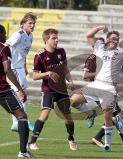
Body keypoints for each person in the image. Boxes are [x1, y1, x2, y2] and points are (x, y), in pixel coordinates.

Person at [76, 40, 123, 147]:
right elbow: (85, 75)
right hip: (98, 91)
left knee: (117, 115)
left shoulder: (111, 56)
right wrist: (100, 74)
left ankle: (114, 139)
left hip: (105, 90)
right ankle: (99, 133)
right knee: (117, 116)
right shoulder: (92, 58)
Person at [28, 28, 78, 151]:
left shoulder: (61, 51)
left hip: (61, 90)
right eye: (54, 38)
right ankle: (32, 142)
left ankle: (71, 139)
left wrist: (70, 81)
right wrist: (47, 73)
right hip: (48, 90)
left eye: (57, 38)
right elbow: (34, 76)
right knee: (44, 115)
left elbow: (65, 68)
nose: (57, 40)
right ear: (46, 40)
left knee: (68, 117)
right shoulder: (40, 56)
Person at [0, 24, 32, 158]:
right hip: (2, 90)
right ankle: (23, 152)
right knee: (22, 117)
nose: (5, 35)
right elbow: (7, 69)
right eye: (3, 33)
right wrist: (19, 89)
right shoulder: (3, 48)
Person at [5, 12, 37, 132]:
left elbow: (22, 54)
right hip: (14, 68)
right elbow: (4, 46)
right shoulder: (18, 35)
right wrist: (5, 61)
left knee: (19, 94)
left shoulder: (31, 36)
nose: (32, 25)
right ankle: (26, 121)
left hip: (20, 68)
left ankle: (15, 123)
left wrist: (25, 67)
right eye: (30, 23)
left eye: (34, 23)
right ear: (23, 24)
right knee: (21, 94)